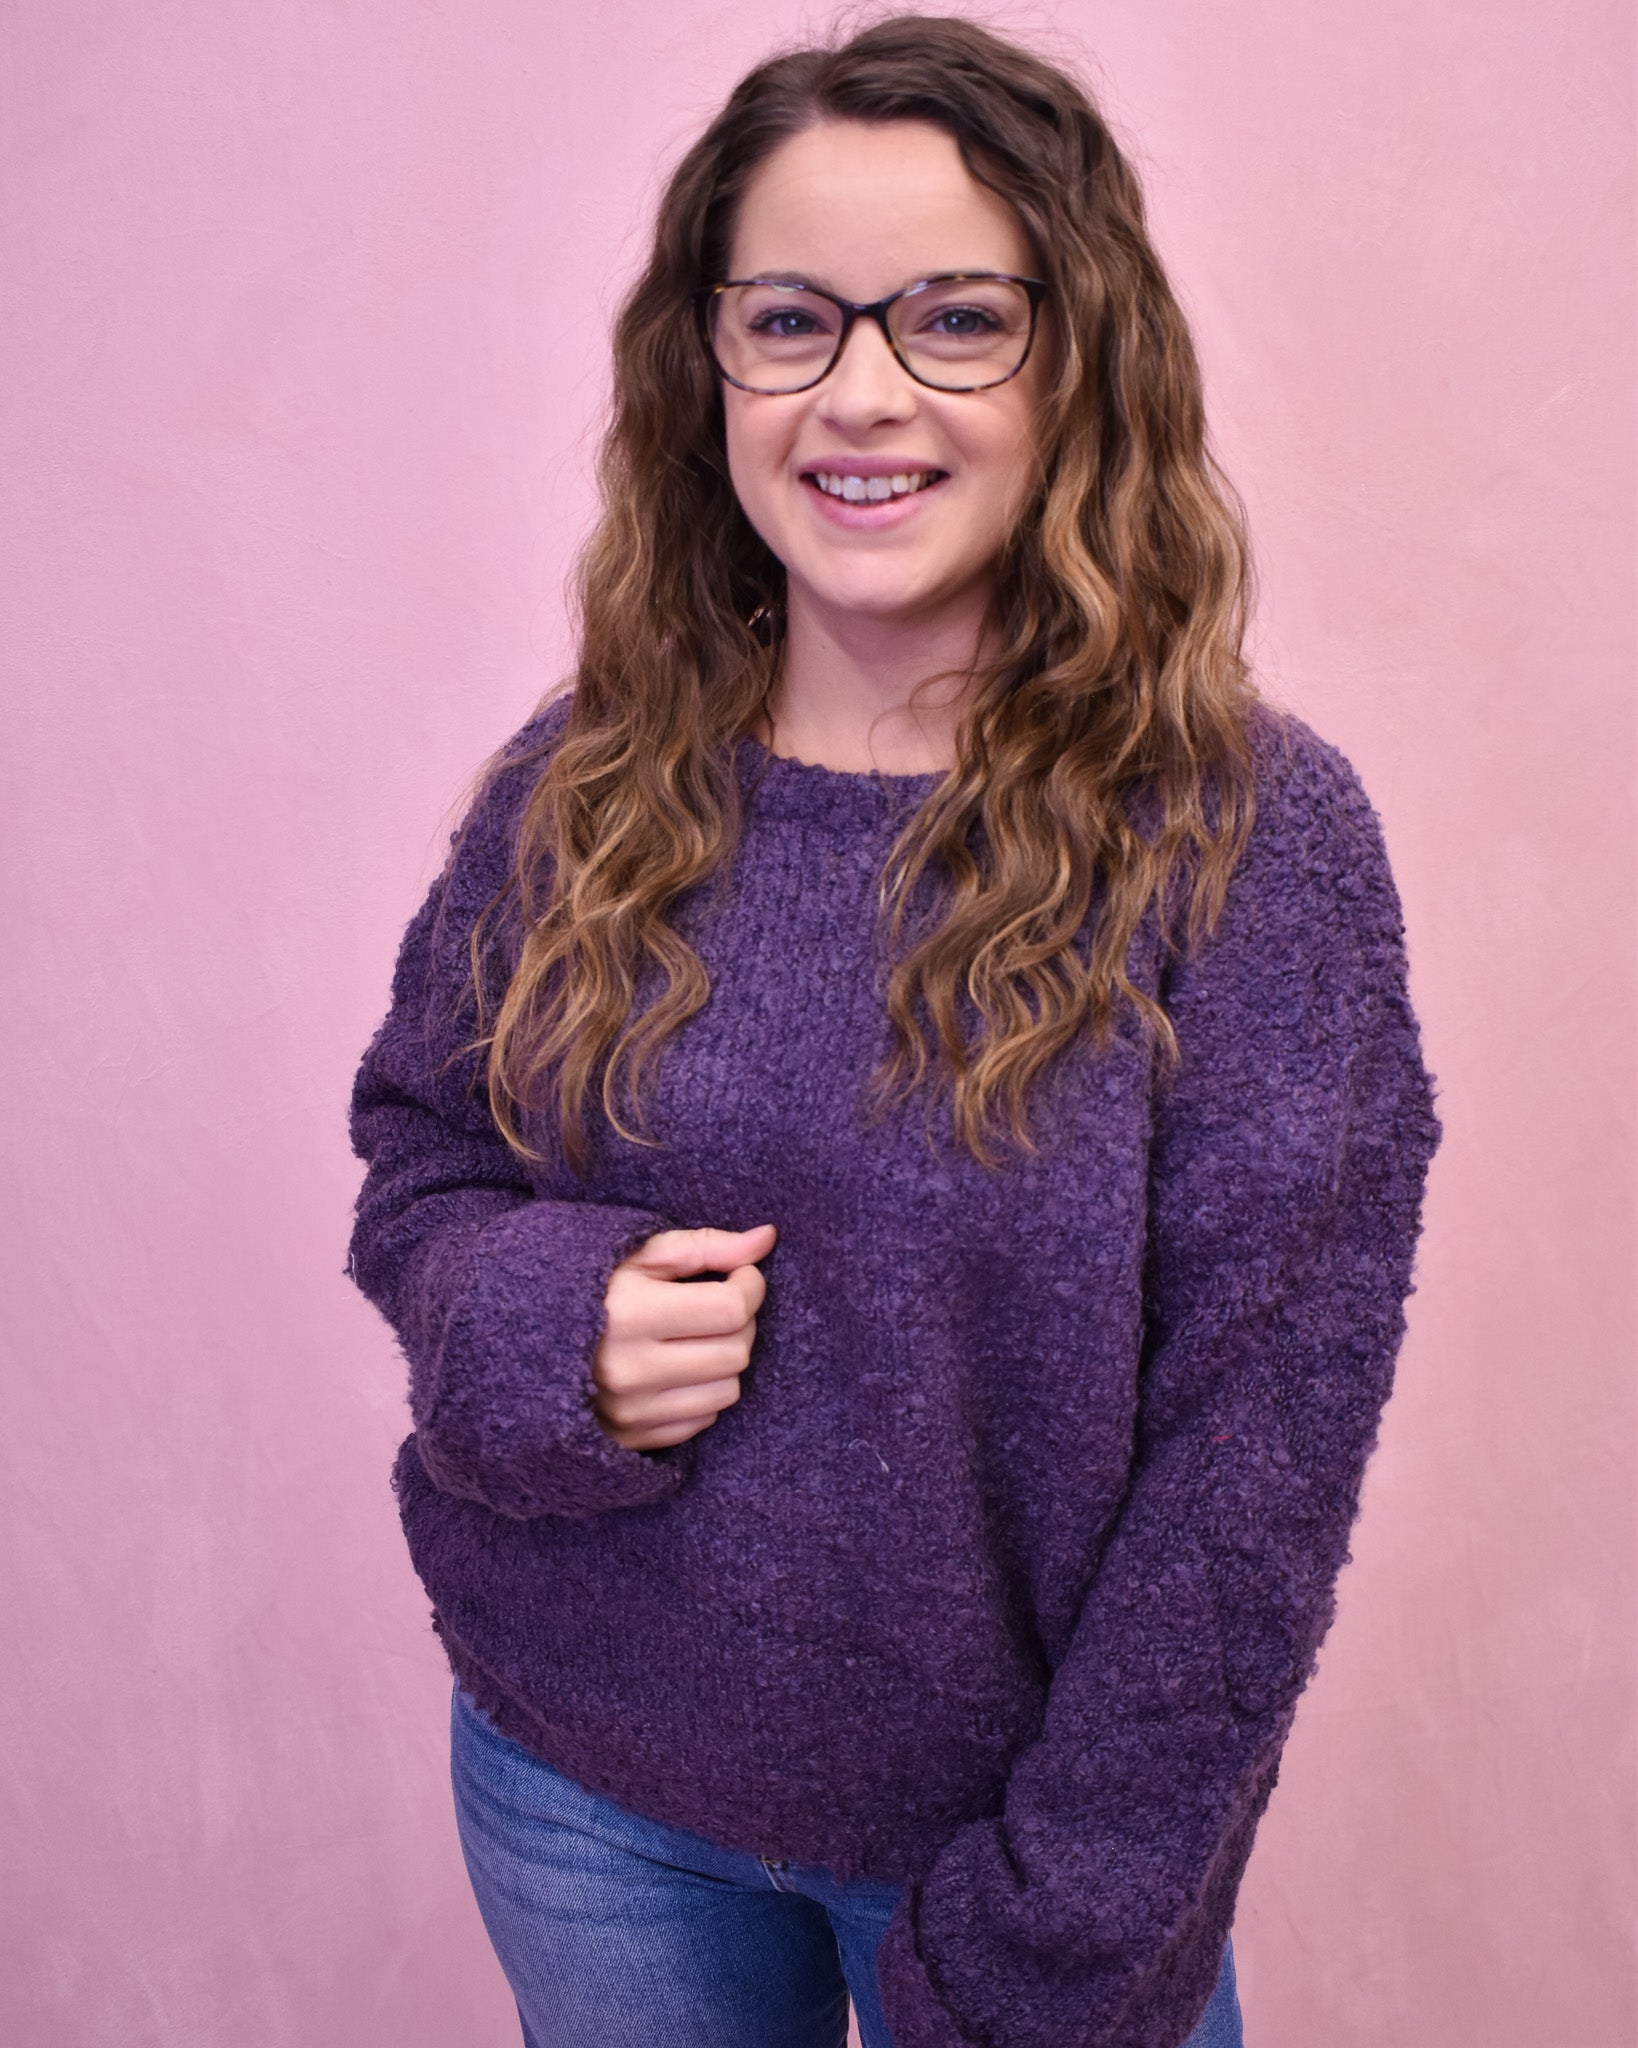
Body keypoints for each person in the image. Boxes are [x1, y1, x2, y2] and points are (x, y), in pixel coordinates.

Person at [344, 15, 1442, 2048]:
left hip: (1029, 1861)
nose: (862, 390)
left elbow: (1255, 1466)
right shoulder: (579, 781)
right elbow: (422, 1158)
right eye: (790, 319)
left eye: (954, 317)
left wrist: (1070, 1924)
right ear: (711, 365)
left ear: (1078, 356)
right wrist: (534, 1318)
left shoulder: (1254, 842)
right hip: (583, 1794)